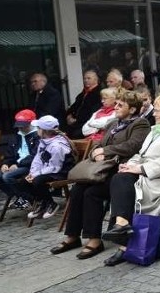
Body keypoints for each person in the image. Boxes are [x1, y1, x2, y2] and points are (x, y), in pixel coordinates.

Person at [50, 90, 150, 260]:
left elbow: (132, 146)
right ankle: (72, 236)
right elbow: (98, 143)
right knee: (78, 189)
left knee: (91, 194)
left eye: (120, 105)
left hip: (121, 171)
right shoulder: (113, 124)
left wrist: (106, 150)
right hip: (101, 169)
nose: (116, 107)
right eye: (116, 104)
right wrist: (96, 152)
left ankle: (94, 239)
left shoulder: (140, 124)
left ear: (132, 110)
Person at [101, 94, 160, 266]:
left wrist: (141, 169)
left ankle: (122, 236)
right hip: (150, 172)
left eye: (158, 110)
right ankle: (122, 228)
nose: (154, 114)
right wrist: (130, 165)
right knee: (120, 178)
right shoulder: (155, 130)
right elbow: (141, 154)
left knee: (123, 183)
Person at [17, 116, 74, 221]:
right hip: (46, 170)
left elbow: (55, 167)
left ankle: (51, 203)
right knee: (23, 181)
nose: (37, 130)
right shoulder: (43, 141)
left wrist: (37, 175)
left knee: (37, 181)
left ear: (44, 131)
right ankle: (41, 201)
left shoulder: (57, 146)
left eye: (38, 128)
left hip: (60, 171)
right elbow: (37, 159)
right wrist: (32, 172)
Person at [0, 109, 39, 209]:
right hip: (16, 165)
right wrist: (6, 164)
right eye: (19, 125)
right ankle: (21, 197)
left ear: (31, 123)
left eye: (23, 125)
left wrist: (18, 165)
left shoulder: (37, 135)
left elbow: (36, 156)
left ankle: (28, 198)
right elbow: (9, 154)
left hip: (30, 166)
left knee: (7, 177)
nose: (21, 128)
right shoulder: (16, 136)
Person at [65, 70, 102, 138]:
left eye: (88, 78)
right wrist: (69, 116)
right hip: (75, 124)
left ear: (96, 80)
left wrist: (76, 121)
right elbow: (73, 107)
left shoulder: (99, 94)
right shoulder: (82, 94)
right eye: (84, 78)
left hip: (86, 125)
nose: (86, 80)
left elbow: (92, 113)